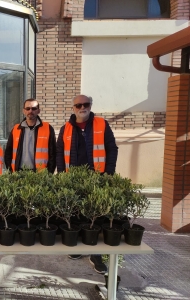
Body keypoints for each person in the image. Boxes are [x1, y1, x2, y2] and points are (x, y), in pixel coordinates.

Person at [56, 94, 118, 274]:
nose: (82, 107)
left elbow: (112, 148)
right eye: (78, 105)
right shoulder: (65, 128)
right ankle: (78, 249)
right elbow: (60, 152)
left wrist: (109, 173)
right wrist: (61, 175)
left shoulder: (101, 124)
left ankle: (96, 254)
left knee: (96, 215)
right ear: (73, 108)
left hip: (97, 177)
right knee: (77, 213)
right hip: (73, 177)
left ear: (90, 105)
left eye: (86, 104)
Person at [4, 98, 57, 173]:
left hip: (40, 174)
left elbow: (53, 153)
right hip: (18, 172)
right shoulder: (16, 129)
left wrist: (49, 173)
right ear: (24, 111)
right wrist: (10, 170)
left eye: (34, 108)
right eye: (28, 108)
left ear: (38, 111)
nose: (30, 111)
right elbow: (8, 152)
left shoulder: (47, 128)